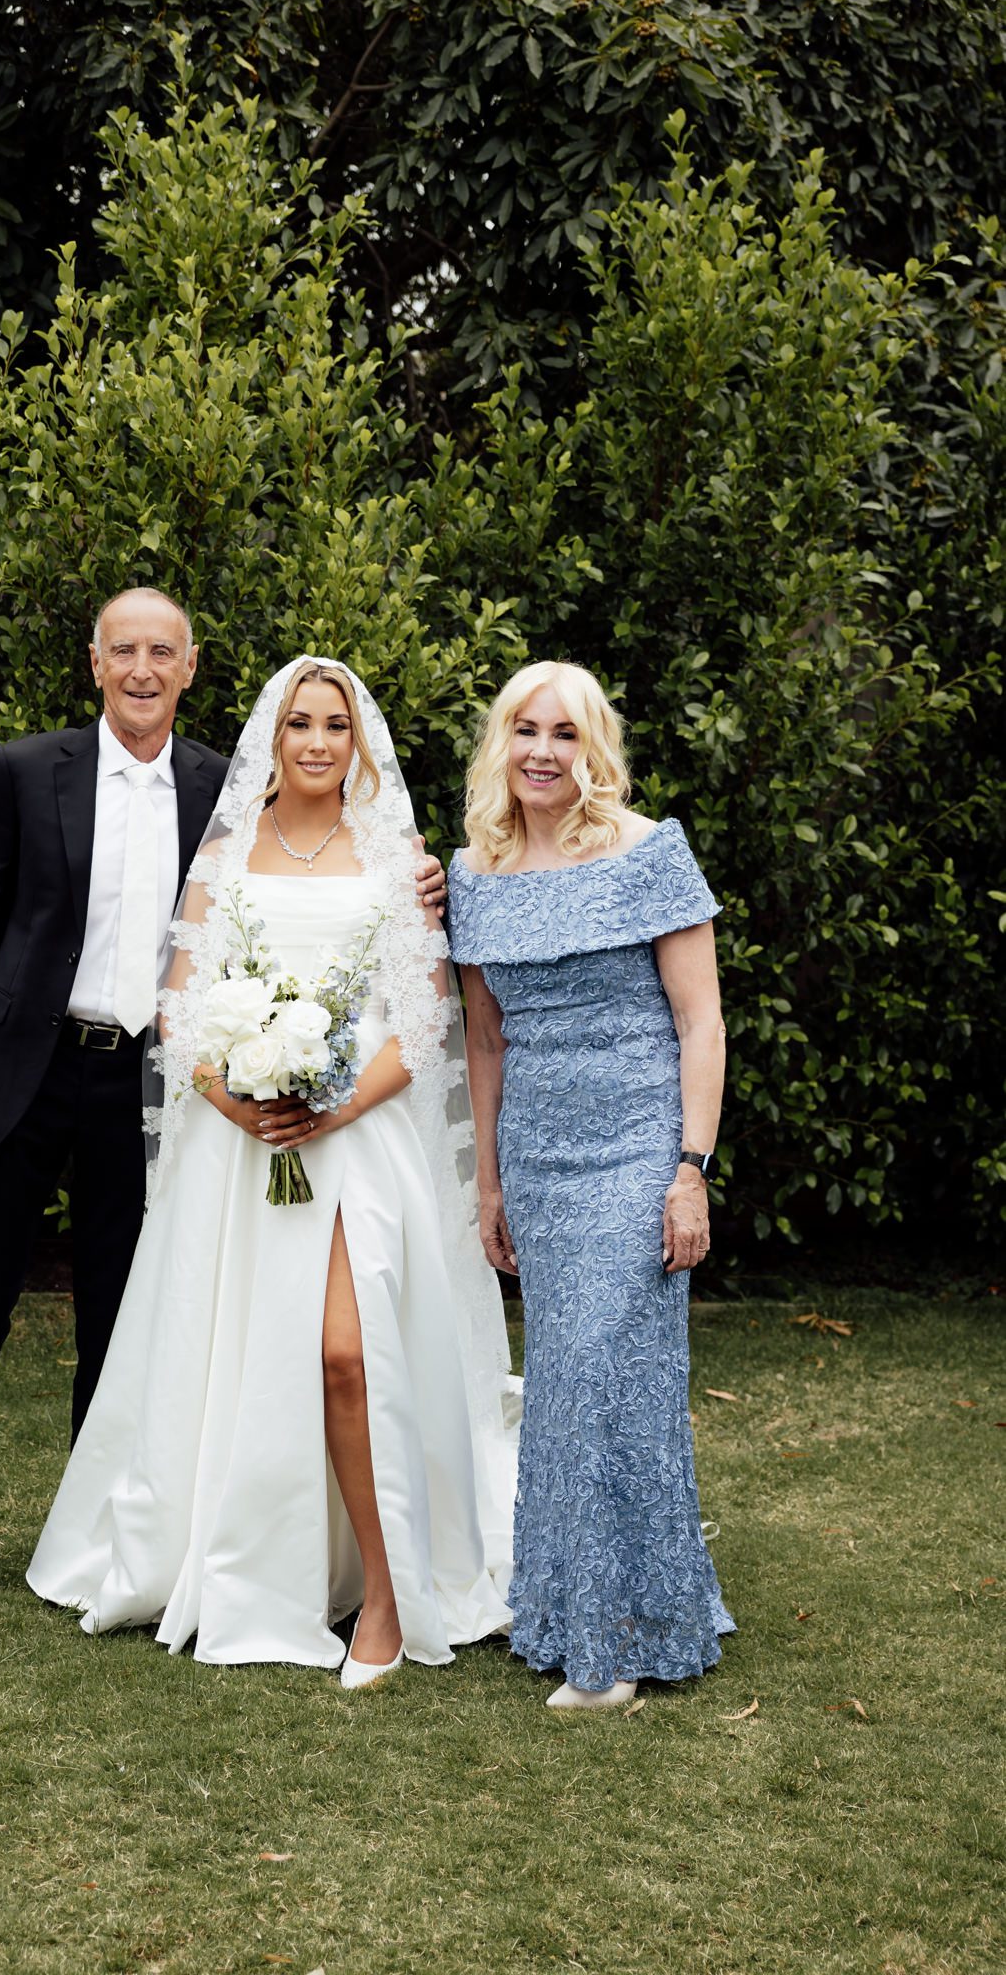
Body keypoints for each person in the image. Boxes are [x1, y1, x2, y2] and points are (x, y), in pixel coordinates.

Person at [0, 600, 446, 1624]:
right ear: (96, 662)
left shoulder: (223, 788)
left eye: (161, 653)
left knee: (124, 1315)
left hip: (145, 1081)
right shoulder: (25, 770)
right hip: (23, 1072)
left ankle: (107, 1525)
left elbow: (318, 879)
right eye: (124, 651)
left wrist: (425, 884)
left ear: (190, 668)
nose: (142, 669)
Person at [26, 659, 516, 1682]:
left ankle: (388, 1595)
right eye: (300, 722)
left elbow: (422, 1021)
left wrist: (334, 1103)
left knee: (345, 1353)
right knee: (248, 1354)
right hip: (240, 1149)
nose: (318, 741)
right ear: (273, 737)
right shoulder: (225, 854)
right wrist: (241, 1097)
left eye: (337, 724)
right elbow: (178, 1007)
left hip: (360, 1138)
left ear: (358, 743)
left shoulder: (401, 861)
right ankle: (261, 1562)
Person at [446, 660, 733, 1710]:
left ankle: (605, 1650)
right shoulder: (471, 873)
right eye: (525, 730)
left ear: (593, 747)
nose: (542, 752)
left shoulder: (649, 851)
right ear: (500, 742)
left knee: (604, 1372)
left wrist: (690, 1169)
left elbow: (700, 1020)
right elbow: (485, 1038)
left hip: (639, 1144)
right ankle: (614, 1611)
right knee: (575, 1385)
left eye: (564, 733)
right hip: (538, 1153)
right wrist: (489, 1183)